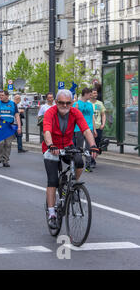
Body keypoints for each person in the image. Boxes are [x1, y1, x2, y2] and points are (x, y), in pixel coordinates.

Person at [42, 89, 98, 229]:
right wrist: (50, 145)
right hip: (51, 147)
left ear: (72, 103)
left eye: (68, 103)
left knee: (79, 162)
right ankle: (52, 214)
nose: (65, 106)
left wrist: (93, 145)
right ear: (56, 102)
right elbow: (46, 131)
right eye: (61, 103)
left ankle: (73, 185)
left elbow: (85, 130)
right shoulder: (50, 112)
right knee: (53, 181)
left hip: (67, 145)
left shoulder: (75, 112)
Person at [72, 88, 97, 172]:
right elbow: (73, 117)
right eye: (90, 94)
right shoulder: (76, 104)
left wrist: (94, 129)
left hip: (89, 128)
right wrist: (75, 109)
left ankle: (88, 165)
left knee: (89, 147)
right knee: (79, 147)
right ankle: (78, 163)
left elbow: (92, 117)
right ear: (85, 94)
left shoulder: (90, 105)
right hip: (79, 128)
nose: (91, 96)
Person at [0, 91, 22, 167]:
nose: (1, 97)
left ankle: (5, 160)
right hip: (0, 127)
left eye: (2, 95)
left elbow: (17, 116)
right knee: (0, 143)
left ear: (7, 96)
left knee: (8, 144)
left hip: (9, 127)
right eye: (0, 95)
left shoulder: (13, 104)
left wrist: (19, 127)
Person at [89, 88, 106, 168]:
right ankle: (92, 161)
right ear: (90, 94)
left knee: (97, 144)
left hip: (98, 127)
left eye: (96, 93)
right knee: (91, 144)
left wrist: (103, 124)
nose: (96, 95)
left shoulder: (100, 103)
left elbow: (103, 114)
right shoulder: (87, 103)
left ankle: (93, 157)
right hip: (89, 127)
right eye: (94, 93)